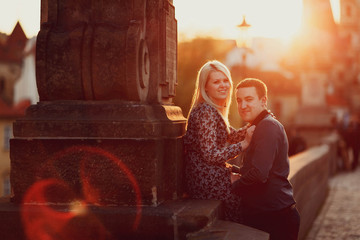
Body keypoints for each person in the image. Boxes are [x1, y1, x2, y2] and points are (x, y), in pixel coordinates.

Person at [184, 60, 254, 223]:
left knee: (249, 179)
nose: (223, 85)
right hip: (204, 178)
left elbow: (231, 135)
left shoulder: (213, 109)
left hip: (207, 173)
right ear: (205, 87)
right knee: (245, 193)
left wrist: (256, 122)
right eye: (216, 82)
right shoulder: (206, 112)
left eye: (225, 81)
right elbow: (210, 155)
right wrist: (244, 145)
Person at [230, 78, 300, 240]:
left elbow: (260, 174)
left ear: (263, 101)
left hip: (275, 219)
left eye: (249, 99)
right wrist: (232, 169)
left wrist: (234, 185)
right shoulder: (260, 125)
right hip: (271, 214)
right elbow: (261, 168)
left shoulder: (267, 126)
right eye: (239, 100)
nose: (242, 105)